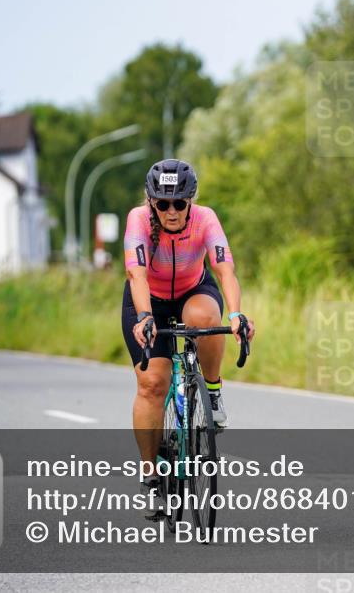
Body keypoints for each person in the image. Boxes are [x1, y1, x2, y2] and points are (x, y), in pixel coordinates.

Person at [121, 159, 255, 503]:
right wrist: (145, 317)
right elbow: (137, 275)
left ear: (190, 202)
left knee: (206, 320)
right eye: (162, 203)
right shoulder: (138, 220)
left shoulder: (205, 218)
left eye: (179, 203)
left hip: (193, 290)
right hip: (147, 300)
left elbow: (225, 269)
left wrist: (237, 312)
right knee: (152, 384)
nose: (171, 211)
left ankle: (211, 390)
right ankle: (150, 476)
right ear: (151, 201)